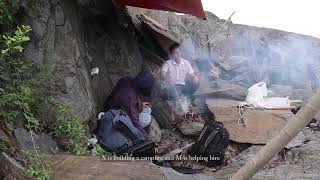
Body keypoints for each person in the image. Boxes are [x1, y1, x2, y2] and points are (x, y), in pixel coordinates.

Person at [104, 70, 155, 140]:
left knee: (147, 109)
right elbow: (135, 122)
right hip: (115, 116)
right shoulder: (129, 99)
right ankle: (136, 137)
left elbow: (130, 95)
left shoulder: (127, 79)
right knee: (147, 118)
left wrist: (140, 103)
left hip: (117, 106)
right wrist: (147, 139)